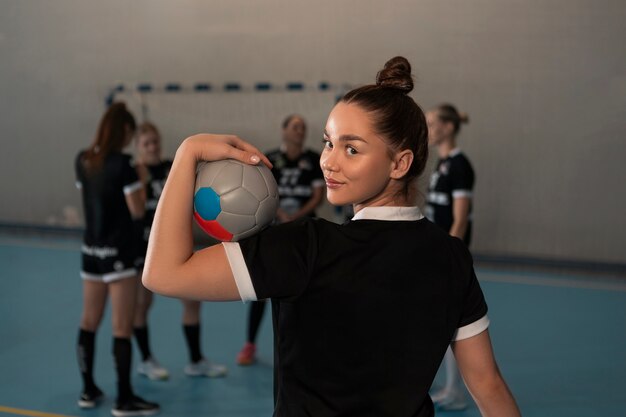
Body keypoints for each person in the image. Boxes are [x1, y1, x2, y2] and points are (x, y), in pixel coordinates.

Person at [143, 56, 521, 417]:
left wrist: (188, 153)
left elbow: (163, 272)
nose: (329, 160)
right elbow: (487, 385)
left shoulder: (306, 247)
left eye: (351, 148)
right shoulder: (452, 256)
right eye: (328, 142)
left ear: (400, 163)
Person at [75, 103, 159, 416]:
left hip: (91, 252)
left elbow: (90, 199)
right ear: (124, 131)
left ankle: (87, 389)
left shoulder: (83, 160)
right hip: (118, 253)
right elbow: (137, 210)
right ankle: (124, 399)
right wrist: (140, 178)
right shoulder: (124, 164)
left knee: (88, 322)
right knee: (121, 326)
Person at [133, 122, 227, 379]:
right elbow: (134, 211)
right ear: (137, 147)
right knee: (142, 304)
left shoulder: (170, 169)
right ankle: (146, 359)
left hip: (175, 244)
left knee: (192, 300)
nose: (153, 147)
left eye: (155, 141)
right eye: (146, 143)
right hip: (143, 247)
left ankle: (196, 360)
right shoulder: (133, 173)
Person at [236, 114, 324, 365]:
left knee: (304, 288)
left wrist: (296, 216)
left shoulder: (312, 159)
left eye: (303, 127)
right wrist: (280, 213)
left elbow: (318, 196)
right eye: (295, 127)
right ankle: (249, 344)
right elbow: (261, 192)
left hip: (303, 229)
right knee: (261, 289)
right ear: (284, 130)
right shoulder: (270, 158)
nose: (300, 131)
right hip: (272, 229)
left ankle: (305, 345)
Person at [425, 104, 474, 410]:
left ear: (448, 127)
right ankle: (449, 387)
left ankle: (456, 391)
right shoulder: (441, 164)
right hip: (436, 253)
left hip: (449, 257)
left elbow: (460, 218)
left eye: (432, 123)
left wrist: (450, 256)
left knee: (452, 324)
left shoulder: (460, 166)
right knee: (438, 323)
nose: (428, 129)